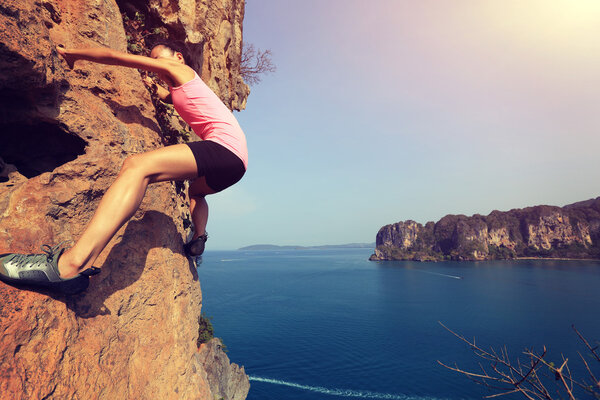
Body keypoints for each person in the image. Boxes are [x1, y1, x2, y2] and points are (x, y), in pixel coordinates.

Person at [0, 41, 248, 294]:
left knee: (136, 166)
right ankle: (199, 237)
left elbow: (115, 57)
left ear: (179, 57)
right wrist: (154, 86)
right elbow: (169, 97)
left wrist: (72, 54)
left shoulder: (183, 73)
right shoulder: (183, 88)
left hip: (224, 148)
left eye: (161, 59)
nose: (159, 67)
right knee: (196, 193)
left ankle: (69, 266)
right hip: (237, 163)